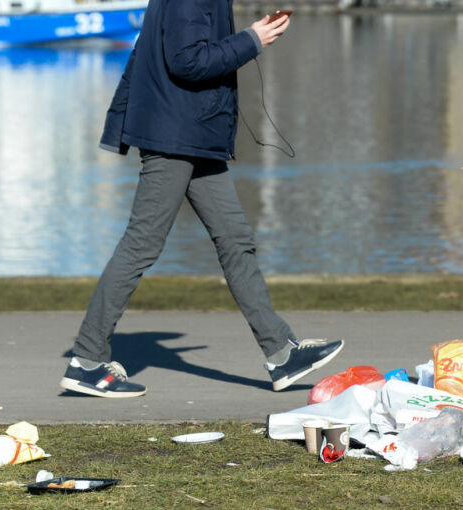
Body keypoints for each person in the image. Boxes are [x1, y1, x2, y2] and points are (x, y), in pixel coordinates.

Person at [59, 0, 343, 398]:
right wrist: (251, 40)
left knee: (236, 240)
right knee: (142, 243)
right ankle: (87, 360)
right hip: (176, 136)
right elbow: (187, 62)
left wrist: (250, 36)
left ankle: (281, 353)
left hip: (196, 135)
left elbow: (150, 52)